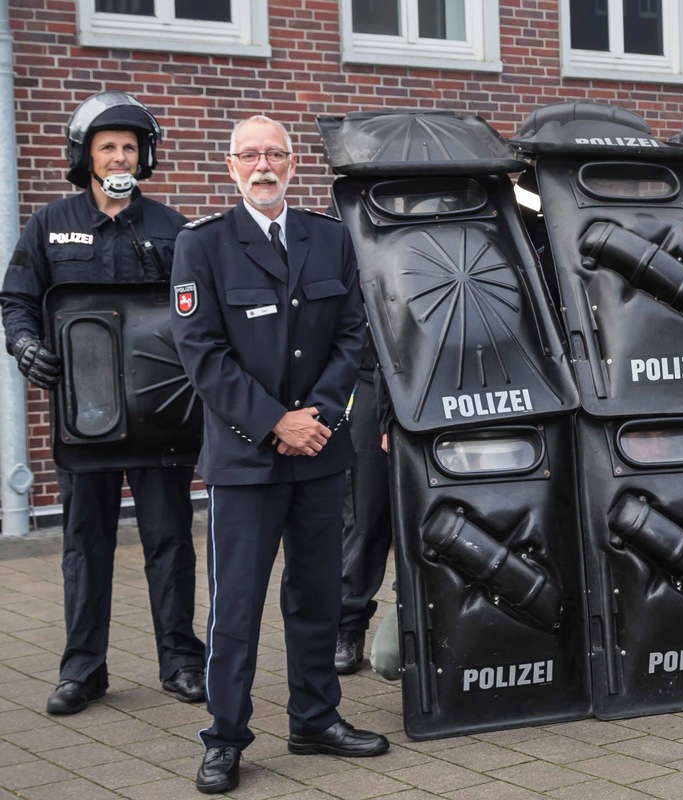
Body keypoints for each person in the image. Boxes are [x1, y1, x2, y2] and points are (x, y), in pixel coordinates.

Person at [170, 114, 385, 795]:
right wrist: (275, 424)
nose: (263, 165)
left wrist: (315, 419)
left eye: (275, 154)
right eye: (249, 155)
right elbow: (201, 353)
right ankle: (225, 738)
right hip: (246, 459)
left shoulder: (328, 239)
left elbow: (353, 334)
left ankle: (316, 719)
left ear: (293, 164)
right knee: (235, 608)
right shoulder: (201, 245)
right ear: (231, 167)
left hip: (320, 454)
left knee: (317, 597)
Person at [0, 91, 206, 716]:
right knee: (84, 541)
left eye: (129, 146)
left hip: (158, 415)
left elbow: (198, 312)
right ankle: (82, 671)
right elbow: (17, 300)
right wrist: (25, 343)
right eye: (107, 145)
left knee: (170, 538)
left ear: (144, 157)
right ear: (85, 156)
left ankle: (181, 662)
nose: (120, 154)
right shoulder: (49, 222)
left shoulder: (172, 228)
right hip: (84, 417)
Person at [335, 337, 393, 675]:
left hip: (433, 377)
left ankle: (425, 621)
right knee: (364, 517)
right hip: (369, 377)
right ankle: (348, 627)